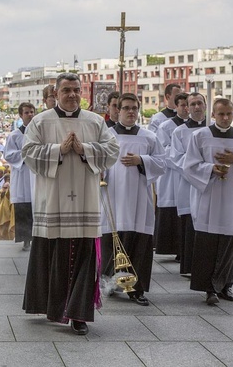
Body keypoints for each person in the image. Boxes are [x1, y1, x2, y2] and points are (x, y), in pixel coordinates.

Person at [22, 72, 119, 335]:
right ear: (56, 93)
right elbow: (28, 153)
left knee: (84, 258)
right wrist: (58, 151)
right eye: (66, 90)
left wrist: (84, 149)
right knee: (54, 256)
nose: (72, 94)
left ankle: (79, 315)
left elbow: (112, 151)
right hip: (52, 202)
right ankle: (52, 308)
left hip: (85, 203)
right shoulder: (41, 122)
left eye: (76, 90)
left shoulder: (95, 121)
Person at [183, 98, 233, 305]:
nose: (225, 118)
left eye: (229, 114)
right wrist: (210, 169)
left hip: (231, 198)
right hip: (208, 197)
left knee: (229, 242)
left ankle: (226, 285)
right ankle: (209, 289)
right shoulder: (200, 136)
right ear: (213, 115)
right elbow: (189, 166)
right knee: (207, 243)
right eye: (221, 114)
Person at [101, 93, 166, 306]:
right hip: (113, 199)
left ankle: (137, 290)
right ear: (117, 111)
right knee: (112, 242)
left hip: (140, 200)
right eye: (126, 108)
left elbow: (162, 163)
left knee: (139, 244)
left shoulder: (149, 137)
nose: (131, 112)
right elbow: (96, 162)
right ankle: (109, 283)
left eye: (134, 108)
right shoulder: (106, 135)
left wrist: (141, 160)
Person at [169, 92, 207, 276]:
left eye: (200, 103)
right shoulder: (180, 131)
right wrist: (200, 168)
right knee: (189, 228)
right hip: (188, 185)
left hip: (210, 186)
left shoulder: (213, 130)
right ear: (187, 108)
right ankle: (190, 267)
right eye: (192, 104)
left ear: (206, 105)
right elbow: (176, 158)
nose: (196, 107)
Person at [154, 92, 189, 259]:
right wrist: (184, 157)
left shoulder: (201, 126)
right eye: (182, 105)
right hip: (172, 175)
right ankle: (173, 248)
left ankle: (186, 250)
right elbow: (161, 151)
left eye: (188, 104)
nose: (186, 108)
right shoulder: (167, 126)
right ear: (176, 106)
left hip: (190, 175)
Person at [4, 102, 36, 250]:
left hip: (35, 176)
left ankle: (36, 239)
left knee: (35, 208)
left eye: (32, 112)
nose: (30, 115)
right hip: (22, 175)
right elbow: (8, 154)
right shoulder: (14, 135)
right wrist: (24, 154)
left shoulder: (38, 134)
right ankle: (26, 241)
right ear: (21, 115)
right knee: (23, 209)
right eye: (27, 112)